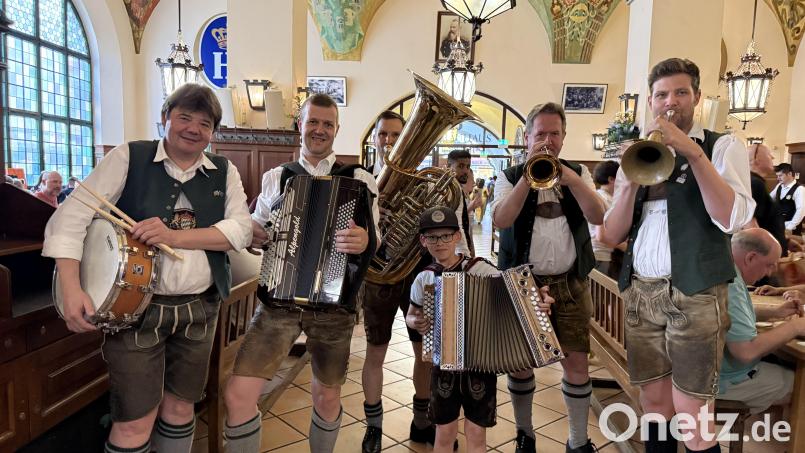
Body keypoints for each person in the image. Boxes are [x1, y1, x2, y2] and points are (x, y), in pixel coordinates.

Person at [42, 83, 252, 453]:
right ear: (165, 118)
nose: (193, 129)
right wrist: (71, 289)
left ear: (212, 132)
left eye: (205, 124)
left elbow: (240, 230)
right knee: (134, 422)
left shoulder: (224, 170)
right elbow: (71, 218)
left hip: (200, 309)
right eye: (184, 117)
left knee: (181, 408)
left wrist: (172, 236)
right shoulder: (129, 156)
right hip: (135, 312)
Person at [600, 58, 755, 453]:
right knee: (653, 404)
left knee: (692, 414)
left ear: (697, 97)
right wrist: (628, 183)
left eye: (681, 92)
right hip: (642, 292)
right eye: (661, 95)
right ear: (651, 102)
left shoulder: (722, 146)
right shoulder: (638, 151)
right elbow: (611, 234)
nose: (670, 102)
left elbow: (731, 219)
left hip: (696, 293)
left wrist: (693, 154)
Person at [223, 93, 379, 453]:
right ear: (301, 125)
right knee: (238, 393)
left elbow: (376, 239)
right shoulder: (277, 176)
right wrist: (254, 235)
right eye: (313, 122)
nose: (319, 130)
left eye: (327, 124)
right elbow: (256, 230)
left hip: (334, 305)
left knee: (326, 396)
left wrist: (363, 240)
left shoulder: (359, 179)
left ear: (337, 129)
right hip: (279, 301)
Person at [490, 102, 605, 453]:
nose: (548, 140)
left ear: (564, 137)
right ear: (527, 137)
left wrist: (572, 179)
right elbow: (501, 220)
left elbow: (598, 216)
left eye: (555, 133)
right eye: (540, 133)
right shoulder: (509, 176)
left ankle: (578, 440)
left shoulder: (578, 173)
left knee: (577, 364)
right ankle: (525, 434)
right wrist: (527, 178)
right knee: (521, 365)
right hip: (523, 285)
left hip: (571, 283)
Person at [405, 205, 555, 453]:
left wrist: (538, 299)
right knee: (444, 432)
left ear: (457, 236)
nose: (439, 243)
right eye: (432, 237)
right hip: (443, 368)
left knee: (476, 433)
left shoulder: (480, 269)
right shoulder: (425, 278)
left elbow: (515, 292)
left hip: (480, 366)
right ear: (423, 241)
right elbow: (412, 314)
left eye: (445, 236)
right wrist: (415, 322)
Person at [360, 110, 439, 452]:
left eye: (396, 134)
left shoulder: (424, 182)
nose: (390, 141)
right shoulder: (362, 179)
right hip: (377, 276)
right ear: (375, 138)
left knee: (424, 352)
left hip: (417, 275)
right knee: (375, 351)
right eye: (383, 135)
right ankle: (374, 427)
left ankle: (421, 421)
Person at [718, 228, 801, 414]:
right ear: (751, 258)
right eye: (769, 265)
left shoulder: (722, 268)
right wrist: (795, 327)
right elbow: (746, 352)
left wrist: (775, 312)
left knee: (781, 361)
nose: (770, 272)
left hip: (703, 373)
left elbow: (728, 315)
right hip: (721, 380)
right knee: (800, 384)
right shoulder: (731, 284)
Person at [590, 161, 625, 280]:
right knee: (599, 290)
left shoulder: (604, 197)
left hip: (602, 254)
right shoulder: (601, 198)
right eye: (621, 178)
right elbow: (602, 237)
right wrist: (627, 247)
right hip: (599, 254)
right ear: (611, 179)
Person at [447, 150, 475, 257]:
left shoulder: (457, 188)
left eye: (468, 167)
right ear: (449, 166)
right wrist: (466, 256)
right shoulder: (452, 190)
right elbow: (458, 225)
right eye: (461, 166)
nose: (466, 171)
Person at [770, 163, 804, 234]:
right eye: (777, 176)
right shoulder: (779, 185)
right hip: (779, 224)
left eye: (780, 175)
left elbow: (801, 211)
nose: (778, 178)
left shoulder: (800, 189)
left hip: (791, 228)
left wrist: (789, 227)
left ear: (789, 174)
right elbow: (769, 198)